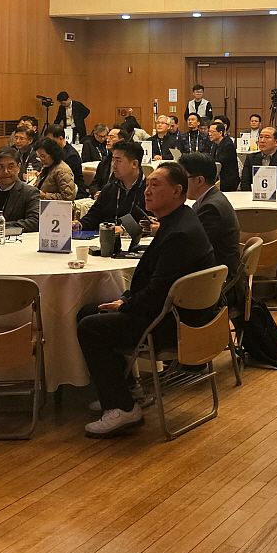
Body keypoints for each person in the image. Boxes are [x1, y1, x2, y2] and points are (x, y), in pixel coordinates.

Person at [76, 161, 216, 437]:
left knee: (90, 326)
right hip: (175, 313)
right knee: (89, 311)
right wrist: (125, 300)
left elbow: (158, 294)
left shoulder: (179, 233)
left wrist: (125, 304)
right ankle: (126, 392)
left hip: (174, 323)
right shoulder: (178, 220)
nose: (147, 191)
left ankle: (122, 409)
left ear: (177, 191)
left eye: (155, 185)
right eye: (147, 185)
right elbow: (156, 285)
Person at [180, 152, 242, 304]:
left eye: (182, 177)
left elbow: (194, 249)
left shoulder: (211, 208)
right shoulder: (213, 198)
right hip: (218, 274)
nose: (178, 183)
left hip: (218, 282)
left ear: (199, 180)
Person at [75, 140, 149, 232]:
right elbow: (95, 215)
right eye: (113, 160)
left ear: (134, 164)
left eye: (118, 160)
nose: (114, 165)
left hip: (137, 239)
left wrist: (124, 229)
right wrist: (79, 224)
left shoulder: (149, 190)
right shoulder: (110, 189)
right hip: (108, 237)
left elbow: (149, 222)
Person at [241, 127, 277, 193]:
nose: (262, 141)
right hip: (252, 196)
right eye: (260, 137)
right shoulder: (250, 158)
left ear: (276, 142)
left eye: (267, 137)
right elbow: (245, 182)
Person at [40, 123, 86, 191]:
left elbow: (64, 179)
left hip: (73, 190)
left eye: (50, 141)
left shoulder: (71, 156)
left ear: (60, 138)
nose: (48, 144)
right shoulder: (54, 152)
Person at [85, 127, 123, 199]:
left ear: (121, 140)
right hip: (99, 198)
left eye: (111, 137)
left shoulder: (125, 164)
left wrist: (104, 195)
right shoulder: (105, 161)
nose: (107, 140)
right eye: (108, 137)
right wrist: (95, 193)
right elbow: (94, 184)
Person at [207, 121, 240, 192]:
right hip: (218, 178)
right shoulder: (215, 144)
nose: (209, 134)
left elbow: (220, 161)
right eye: (209, 131)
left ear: (220, 133)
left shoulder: (228, 145)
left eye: (212, 132)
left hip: (227, 181)